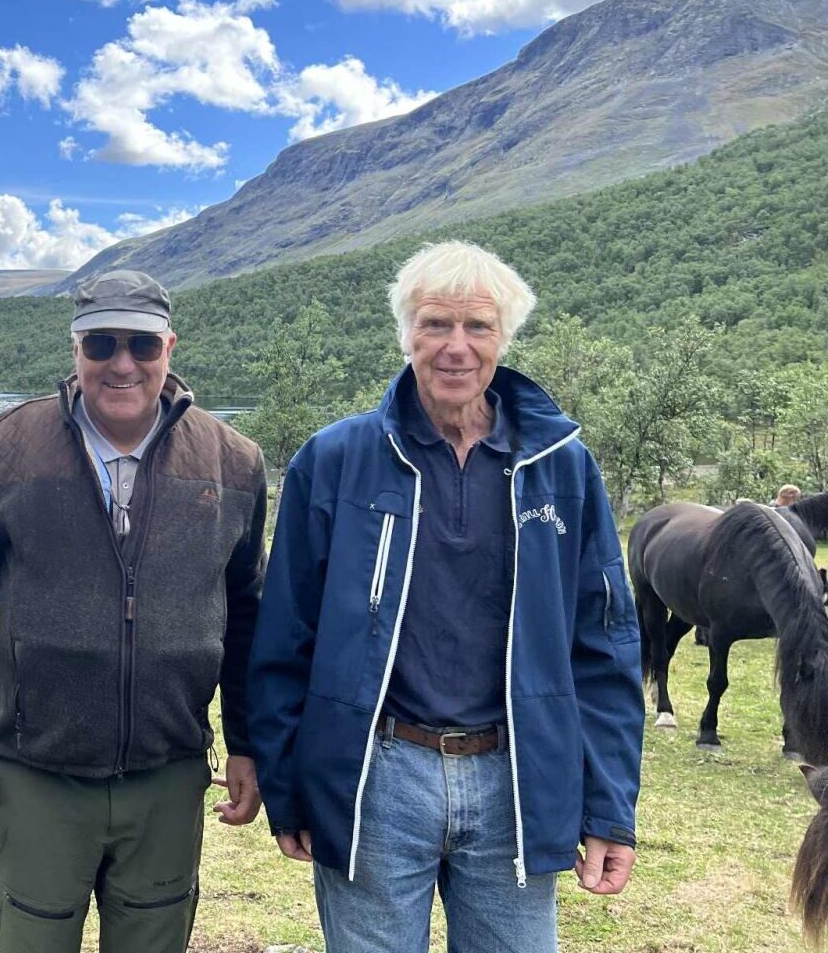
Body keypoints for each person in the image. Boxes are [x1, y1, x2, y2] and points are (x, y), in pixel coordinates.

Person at [247, 241, 643, 953]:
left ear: (504, 339)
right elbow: (285, 636)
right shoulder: (335, 459)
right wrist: (288, 783)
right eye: (435, 324)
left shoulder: (562, 468)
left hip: (517, 779)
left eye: (477, 327)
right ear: (406, 334)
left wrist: (610, 808)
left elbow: (604, 644)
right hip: (377, 775)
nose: (455, 347)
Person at [0, 269, 269, 953]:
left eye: (140, 345)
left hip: (168, 775)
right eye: (100, 343)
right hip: (37, 772)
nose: (121, 363)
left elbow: (247, 615)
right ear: (74, 348)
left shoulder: (233, 463)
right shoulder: (4, 449)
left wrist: (249, 742)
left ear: (170, 347)